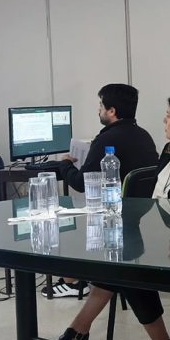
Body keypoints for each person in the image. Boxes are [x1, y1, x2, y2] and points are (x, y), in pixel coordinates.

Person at [38, 90, 170, 340]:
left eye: (168, 115)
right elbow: (159, 199)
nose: (164, 120)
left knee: (124, 267)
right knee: (122, 263)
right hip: (166, 236)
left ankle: (80, 335)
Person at [45, 83, 158, 298]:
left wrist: (65, 164)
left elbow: (81, 183)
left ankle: (72, 282)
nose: (98, 109)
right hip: (139, 215)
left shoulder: (107, 139)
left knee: (66, 223)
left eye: (101, 105)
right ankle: (76, 281)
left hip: (113, 220)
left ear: (112, 111)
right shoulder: (144, 135)